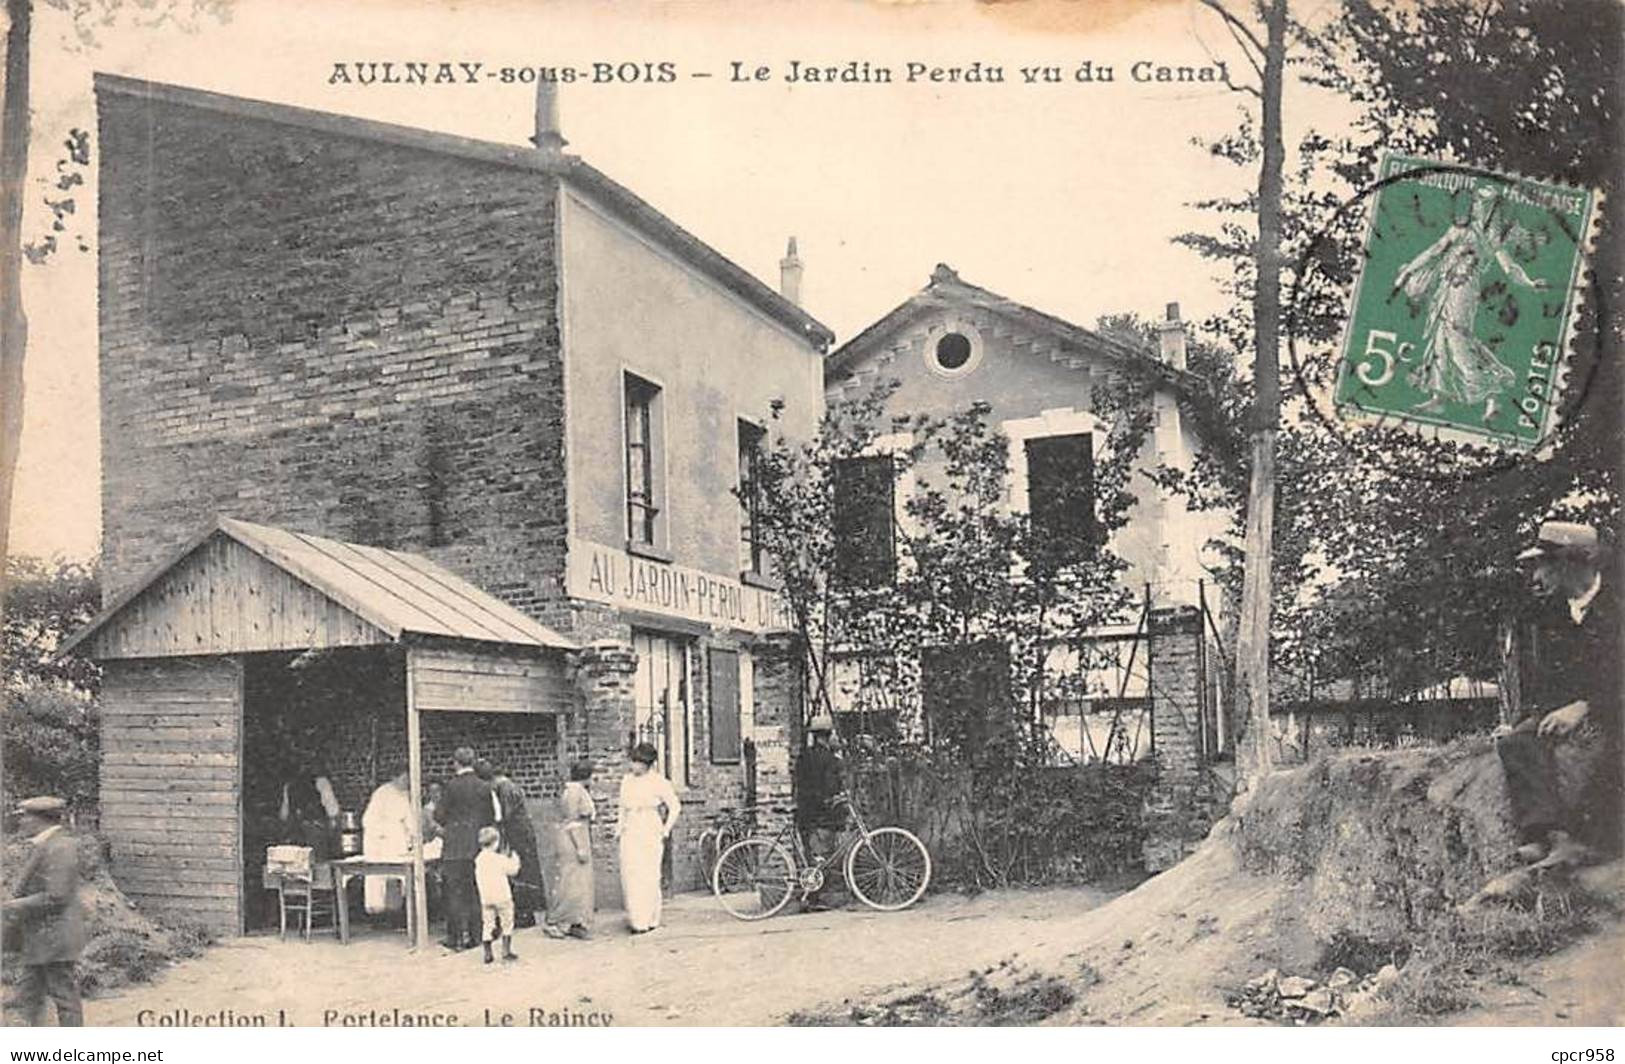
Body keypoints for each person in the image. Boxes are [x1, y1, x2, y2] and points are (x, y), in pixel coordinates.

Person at [1496, 521, 1621, 868]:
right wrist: (1528, 719)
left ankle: (1594, 842)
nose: (1536, 576)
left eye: (1543, 565)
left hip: (1614, 707)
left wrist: (1586, 706)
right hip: (1576, 709)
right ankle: (1550, 837)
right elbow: (1549, 683)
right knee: (1516, 743)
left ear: (1571, 563)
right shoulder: (1549, 614)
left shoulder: (1618, 605)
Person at [3, 797, 86, 1026]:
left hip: (55, 938)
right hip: (42, 937)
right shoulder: (48, 845)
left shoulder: (60, 847)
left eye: (24, 818)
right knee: (27, 997)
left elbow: (57, 896)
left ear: (38, 819)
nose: (21, 823)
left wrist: (13, 905)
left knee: (64, 997)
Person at [616, 743, 680, 934]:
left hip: (649, 827)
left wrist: (666, 830)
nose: (633, 766)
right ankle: (636, 919)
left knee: (649, 874)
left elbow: (675, 806)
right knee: (631, 872)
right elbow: (622, 807)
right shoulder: (627, 781)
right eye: (633, 761)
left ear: (647, 764)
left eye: (638, 763)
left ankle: (650, 918)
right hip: (631, 828)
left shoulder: (658, 782)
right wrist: (619, 828)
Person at [438, 747, 496, 950]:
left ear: (456, 763)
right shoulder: (484, 787)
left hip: (454, 847)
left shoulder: (450, 787)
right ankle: (476, 936)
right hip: (477, 846)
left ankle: (455, 938)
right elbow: (490, 817)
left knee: (454, 892)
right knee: (475, 890)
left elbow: (440, 815)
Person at [794, 713, 847, 911]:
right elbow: (831, 787)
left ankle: (811, 897)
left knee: (813, 856)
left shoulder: (804, 756)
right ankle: (811, 899)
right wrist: (836, 798)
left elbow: (800, 783)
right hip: (822, 814)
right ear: (828, 735)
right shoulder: (830, 760)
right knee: (821, 855)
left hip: (805, 812)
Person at [545, 760, 597, 940]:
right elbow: (572, 821)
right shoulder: (575, 792)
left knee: (579, 883)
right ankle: (557, 921)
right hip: (574, 839)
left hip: (577, 836)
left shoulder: (574, 790)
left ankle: (575, 922)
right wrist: (580, 847)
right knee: (571, 883)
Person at [491, 764, 546, 928]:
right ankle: (526, 911)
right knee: (526, 872)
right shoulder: (511, 787)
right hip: (522, 834)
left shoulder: (504, 789)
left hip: (517, 835)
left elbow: (504, 815)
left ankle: (525, 913)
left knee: (521, 872)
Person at [361, 769, 415, 919]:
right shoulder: (382, 794)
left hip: (398, 841)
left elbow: (409, 819)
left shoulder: (405, 795)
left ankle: (397, 913)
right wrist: (382, 834)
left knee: (398, 878)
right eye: (404, 779)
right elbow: (368, 821)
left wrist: (413, 835)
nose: (406, 783)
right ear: (394, 777)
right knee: (379, 880)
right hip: (381, 843)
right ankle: (378, 915)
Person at [473, 826, 520, 964]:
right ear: (496, 842)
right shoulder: (499, 859)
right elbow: (513, 870)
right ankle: (506, 950)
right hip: (502, 896)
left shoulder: (479, 860)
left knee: (488, 923)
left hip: (486, 897)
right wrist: (515, 859)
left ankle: (487, 953)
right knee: (507, 921)